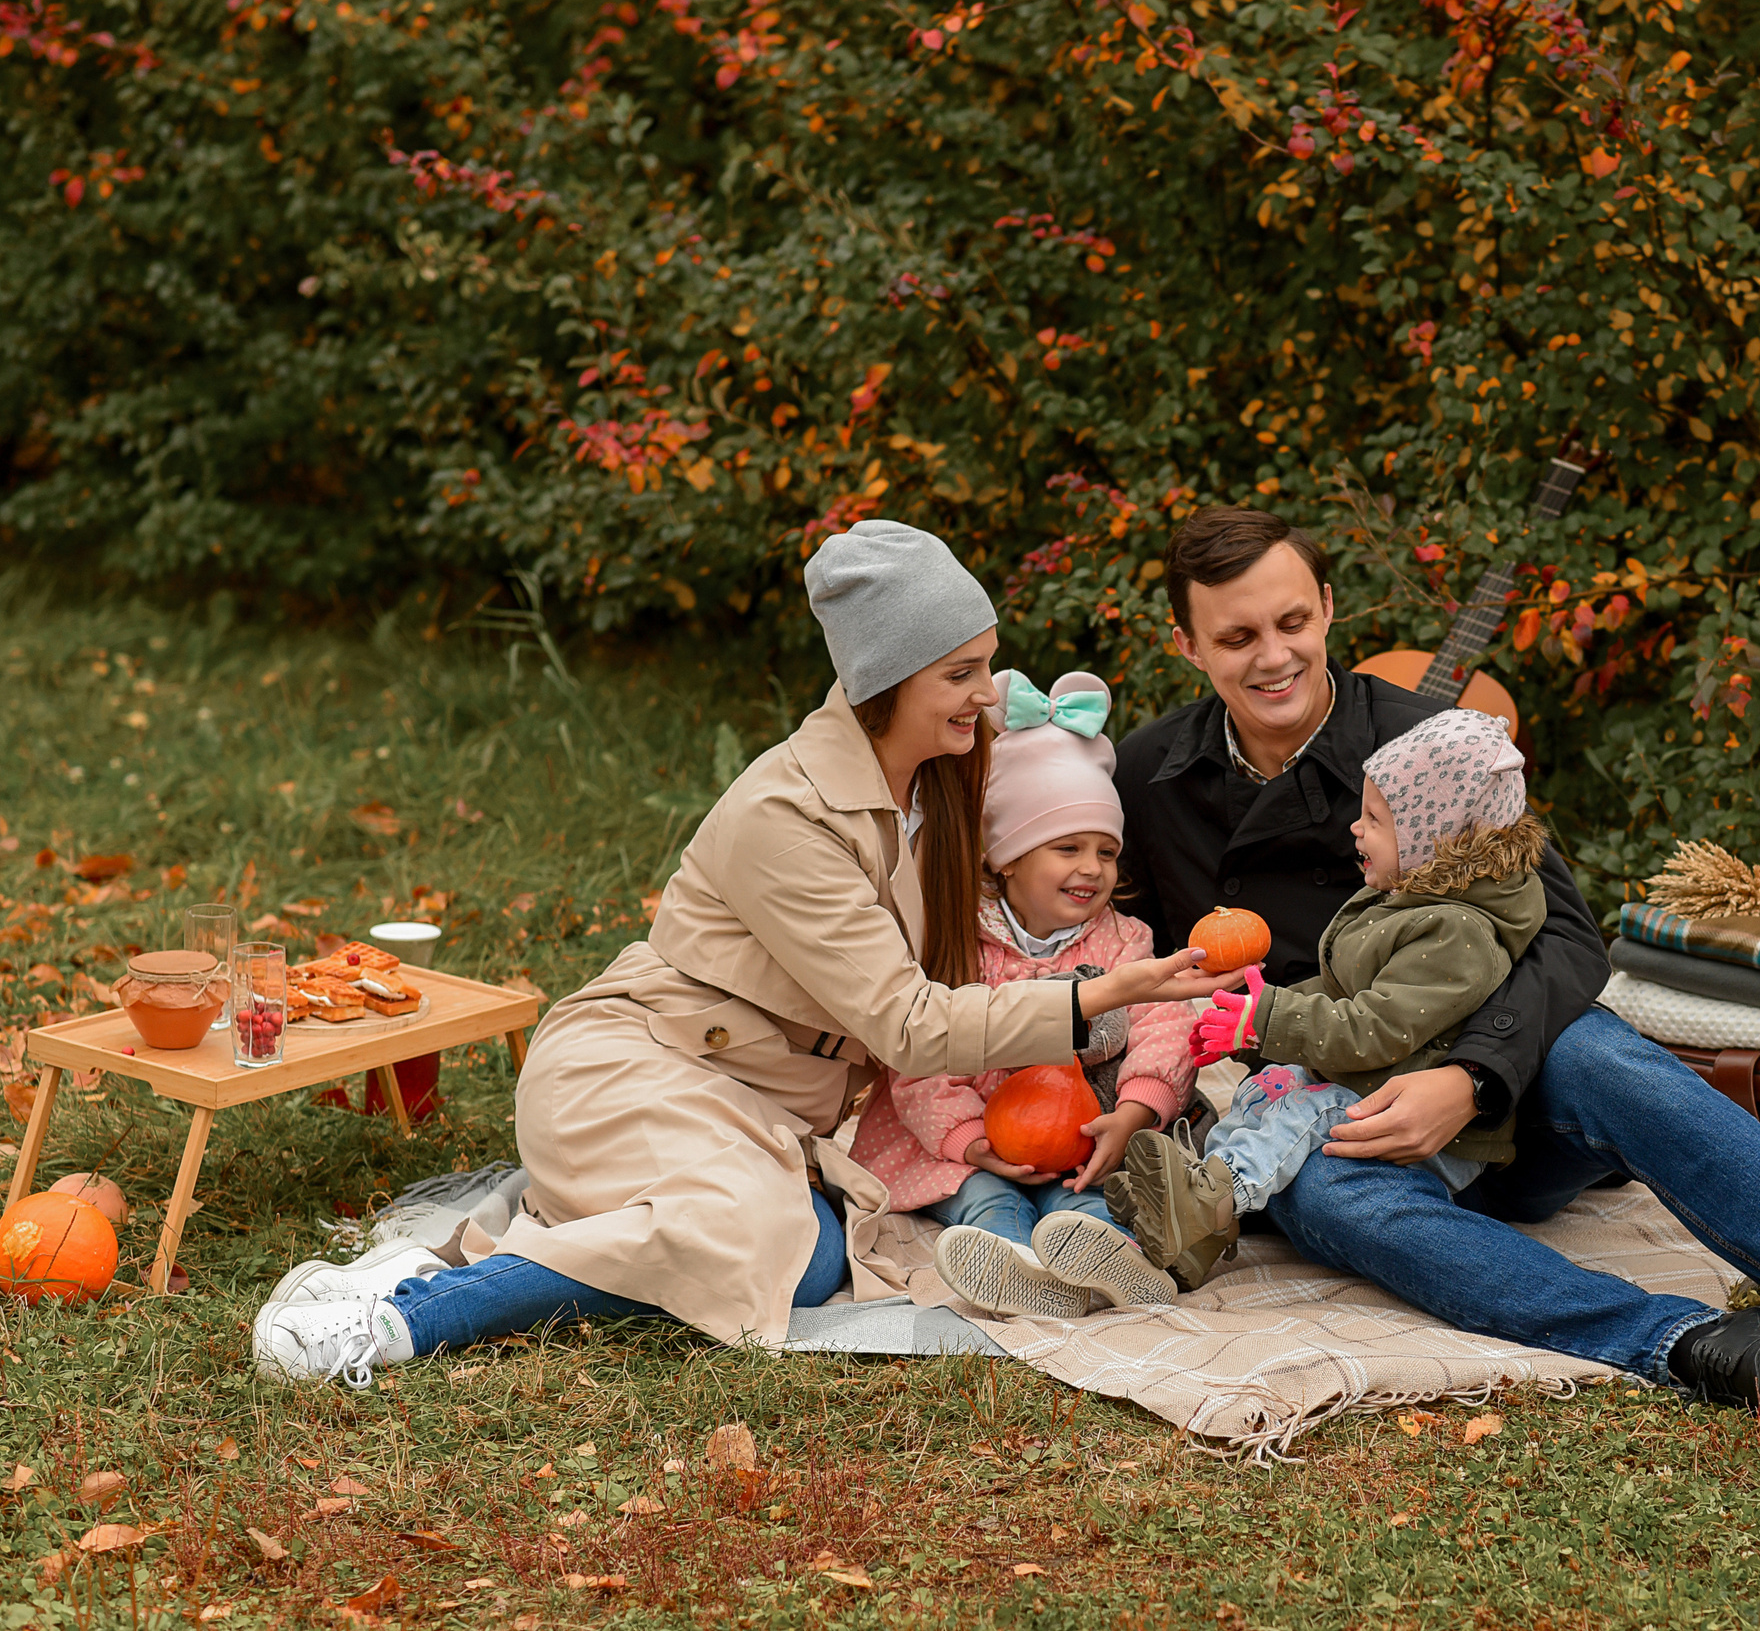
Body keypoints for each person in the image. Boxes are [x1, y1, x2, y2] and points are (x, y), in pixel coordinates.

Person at [251, 522, 1232, 1387]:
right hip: (640, 1067)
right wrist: (1100, 991)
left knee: (801, 1265)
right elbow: (907, 1022)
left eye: (987, 664)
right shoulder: (787, 812)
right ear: (890, 679)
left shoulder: (933, 782)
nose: (988, 692)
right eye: (961, 672)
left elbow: (1024, 875)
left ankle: (561, 1241)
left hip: (757, 1109)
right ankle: (408, 1312)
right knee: (753, 1242)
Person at [1110, 506, 1760, 1447]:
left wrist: (1470, 1077)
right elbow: (1107, 954)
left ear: (1327, 607)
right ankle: (1704, 1347)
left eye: (1291, 623)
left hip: (1507, 1094)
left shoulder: (1434, 742)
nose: (1273, 656)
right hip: (1335, 1110)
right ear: (1188, 646)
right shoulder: (1150, 776)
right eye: (1236, 637)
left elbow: (1567, 938)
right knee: (1320, 1196)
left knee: (1601, 1052)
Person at [1109, 708, 1545, 1290]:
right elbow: (1344, 990)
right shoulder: (1410, 902)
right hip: (1370, 1080)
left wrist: (1268, 1019)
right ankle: (1196, 1225)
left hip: (1427, 1128)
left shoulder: (1456, 931)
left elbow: (1377, 1026)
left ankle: (1208, 1203)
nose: (1355, 828)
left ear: (1432, 840)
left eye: (1374, 819)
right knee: (1266, 1087)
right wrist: (1251, 1019)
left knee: (1302, 1109)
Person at [848, 669, 1189, 1320]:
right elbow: (918, 1053)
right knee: (987, 1198)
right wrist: (973, 1140)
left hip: (1084, 1132)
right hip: (967, 1137)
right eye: (1066, 847)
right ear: (1006, 856)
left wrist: (1137, 1111)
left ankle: (1109, 1257)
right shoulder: (959, 942)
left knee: (1082, 1200)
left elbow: (1164, 1025)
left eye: (1106, 850)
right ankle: (1010, 1267)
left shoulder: (1124, 940)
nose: (1090, 866)